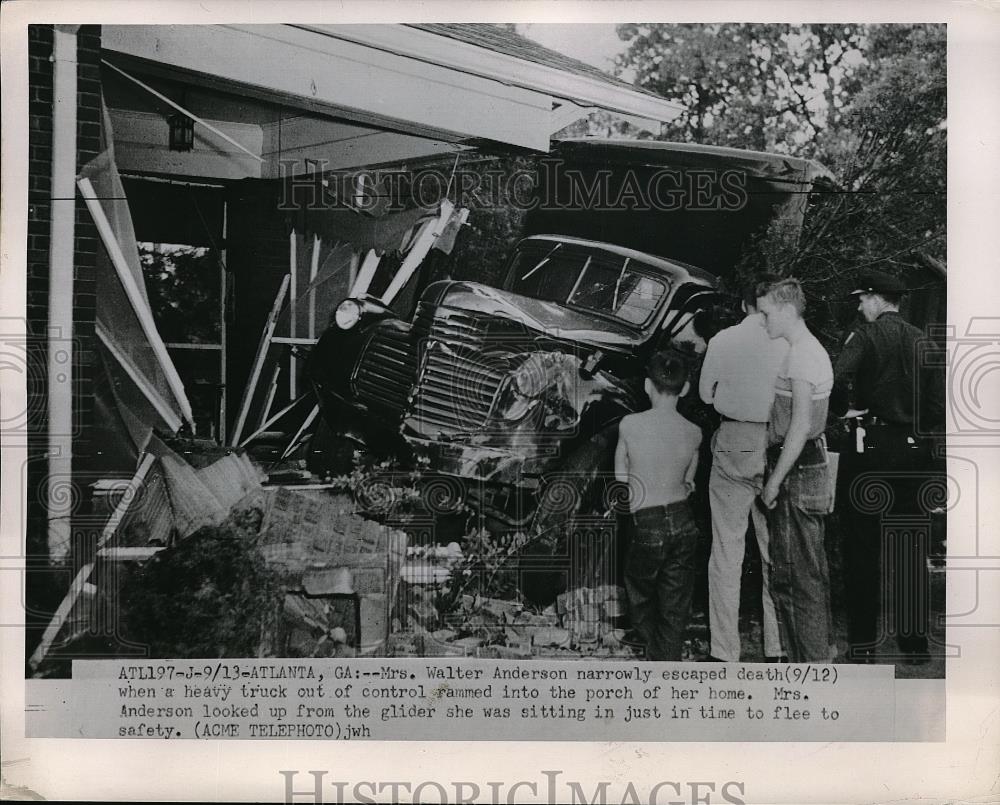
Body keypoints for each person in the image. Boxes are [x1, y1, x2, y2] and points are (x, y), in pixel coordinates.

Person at [832, 269, 940, 665]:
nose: (860, 306)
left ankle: (862, 648)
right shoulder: (922, 339)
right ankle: (915, 647)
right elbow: (935, 407)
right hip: (912, 454)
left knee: (862, 549)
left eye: (862, 299)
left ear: (877, 298)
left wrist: (844, 411)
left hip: (870, 449)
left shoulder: (864, 336)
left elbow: (837, 376)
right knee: (910, 548)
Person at [700, 285, 789, 662]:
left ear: (743, 303)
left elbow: (706, 395)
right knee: (775, 552)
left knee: (726, 550)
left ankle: (724, 651)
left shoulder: (723, 339)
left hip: (735, 438)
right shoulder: (787, 341)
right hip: (776, 443)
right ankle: (777, 648)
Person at [756, 278, 835, 663]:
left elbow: (801, 425)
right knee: (805, 575)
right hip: (805, 467)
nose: (762, 320)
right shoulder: (803, 351)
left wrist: (773, 482)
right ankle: (816, 662)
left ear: (787, 310)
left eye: (767, 312)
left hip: (796, 472)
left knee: (794, 579)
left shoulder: (803, 354)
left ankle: (812, 672)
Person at [615, 352, 702, 661]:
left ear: (647, 386)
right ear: (687, 388)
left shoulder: (630, 424)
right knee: (675, 602)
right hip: (682, 519)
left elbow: (620, 475)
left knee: (640, 595)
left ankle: (650, 653)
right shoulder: (694, 432)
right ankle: (668, 663)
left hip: (647, 520)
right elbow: (689, 481)